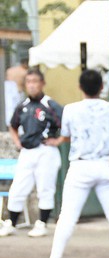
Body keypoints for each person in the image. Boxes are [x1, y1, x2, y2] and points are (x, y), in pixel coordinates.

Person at [38, 69, 109, 258]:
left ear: (80, 87)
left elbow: (66, 134)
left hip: (80, 166)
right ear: (101, 87)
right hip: (106, 165)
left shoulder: (71, 109)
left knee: (67, 215)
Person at [0, 68, 62, 238]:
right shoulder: (23, 106)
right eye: (28, 82)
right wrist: (17, 141)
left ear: (42, 83)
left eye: (35, 81)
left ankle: (41, 223)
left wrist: (59, 140)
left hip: (46, 150)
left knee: (45, 188)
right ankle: (11, 223)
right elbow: (13, 125)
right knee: (18, 187)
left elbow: (67, 124)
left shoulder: (50, 105)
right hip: (27, 151)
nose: (32, 85)